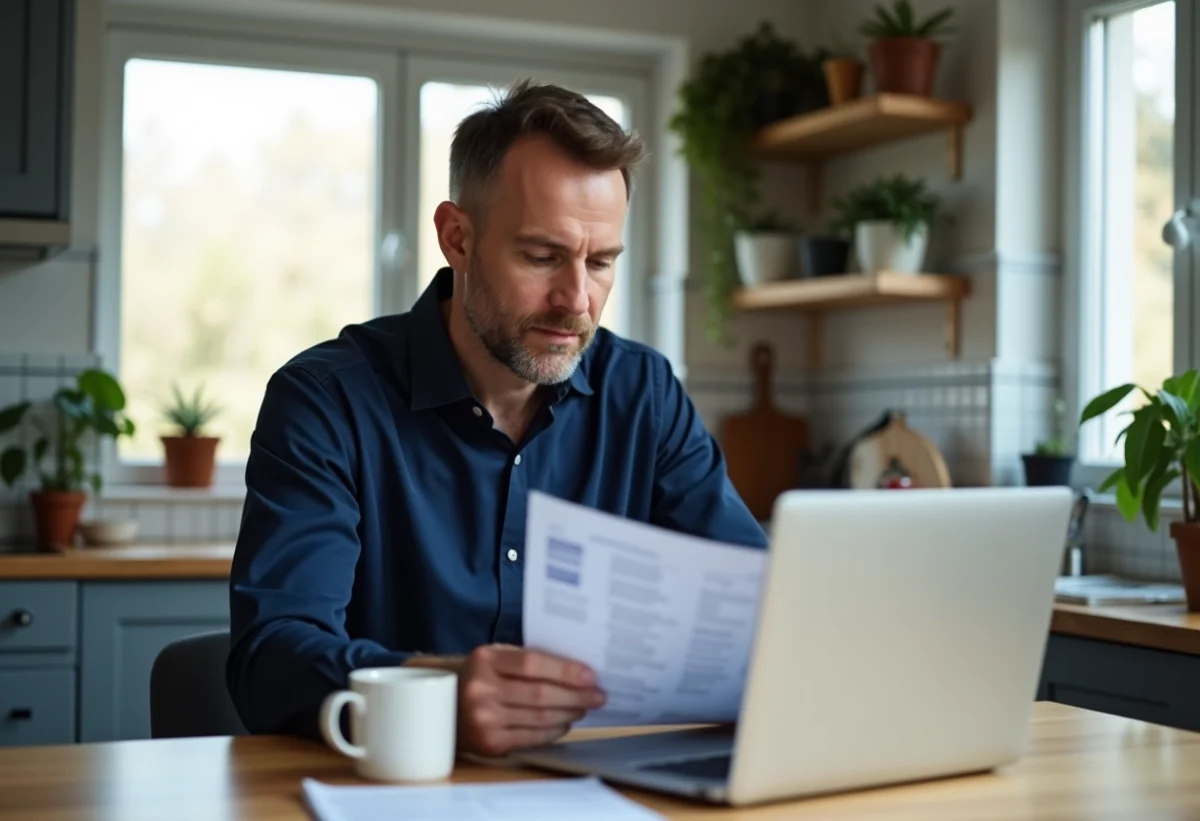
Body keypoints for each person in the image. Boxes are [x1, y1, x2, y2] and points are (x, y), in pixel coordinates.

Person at [226, 79, 767, 758]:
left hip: (602, 787)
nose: (577, 298)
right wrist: (437, 693)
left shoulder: (645, 394)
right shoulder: (326, 401)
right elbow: (271, 658)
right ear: (457, 237)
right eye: (541, 256)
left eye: (601, 262)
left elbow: (755, 617)